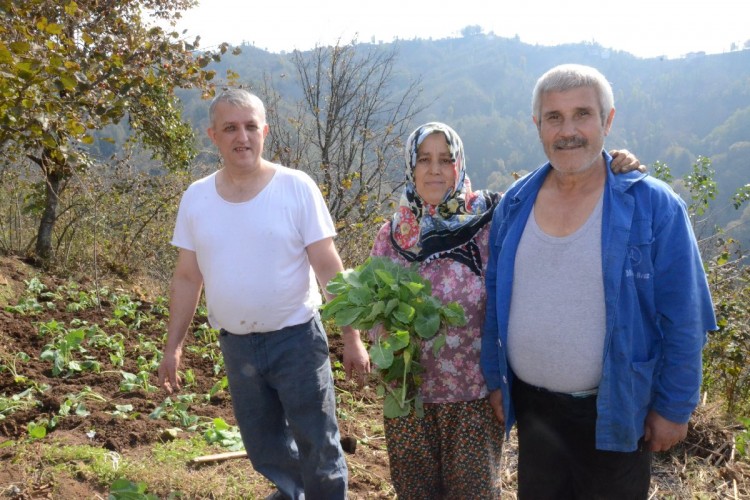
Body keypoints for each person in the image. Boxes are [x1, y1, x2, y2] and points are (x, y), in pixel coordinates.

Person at [370, 122, 643, 499]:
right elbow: (371, 308)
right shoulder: (392, 234)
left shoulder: (491, 219)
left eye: (446, 159)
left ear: (459, 165)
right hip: (407, 396)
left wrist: (607, 164)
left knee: (475, 493)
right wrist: (382, 342)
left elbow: (554, 190)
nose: (434, 169)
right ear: (409, 166)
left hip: (474, 395)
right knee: (415, 491)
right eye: (424, 159)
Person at [481, 64, 717, 499]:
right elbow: (496, 296)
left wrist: (674, 407)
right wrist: (497, 381)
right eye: (554, 117)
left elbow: (684, 315)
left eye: (582, 114)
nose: (568, 130)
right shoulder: (515, 203)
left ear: (607, 120)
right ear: (538, 126)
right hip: (534, 411)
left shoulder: (653, 206)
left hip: (616, 409)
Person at [157, 88, 371, 500]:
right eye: (230, 128)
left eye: (251, 127)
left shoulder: (296, 187)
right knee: (263, 448)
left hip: (296, 340)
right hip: (237, 347)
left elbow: (329, 267)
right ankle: (297, 493)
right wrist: (174, 347)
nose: (243, 137)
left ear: (265, 131)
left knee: (318, 444)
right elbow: (187, 277)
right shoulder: (197, 198)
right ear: (213, 136)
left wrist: (351, 337)